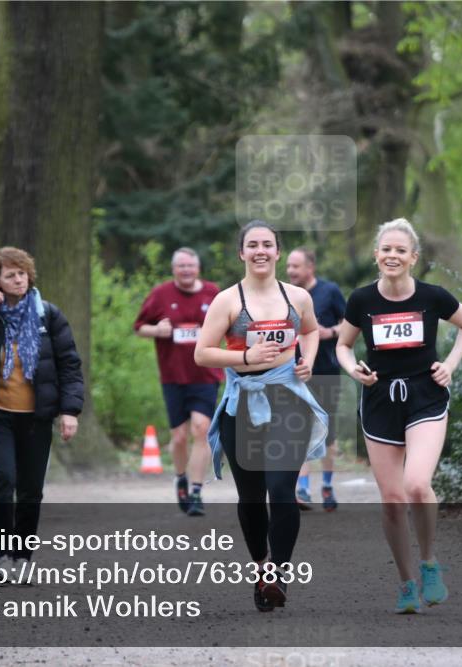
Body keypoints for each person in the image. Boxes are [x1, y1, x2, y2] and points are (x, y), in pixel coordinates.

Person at [336, 219, 462, 614]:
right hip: (380, 399)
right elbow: (343, 346)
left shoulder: (432, 296)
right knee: (393, 499)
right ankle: (406, 583)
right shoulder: (362, 300)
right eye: (386, 249)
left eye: (401, 250)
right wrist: (353, 369)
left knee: (416, 484)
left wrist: (450, 364)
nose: (392, 256)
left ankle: (429, 563)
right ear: (376, 255)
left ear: (414, 257)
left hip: (424, 396)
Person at [195, 220, 328, 612]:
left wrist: (308, 360)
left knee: (282, 490)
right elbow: (202, 353)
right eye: (252, 245)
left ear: (278, 252)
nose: (260, 251)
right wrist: (246, 356)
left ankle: (277, 574)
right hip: (243, 403)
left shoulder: (298, 296)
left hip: (288, 400)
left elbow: (311, 331)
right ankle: (261, 566)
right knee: (252, 497)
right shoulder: (227, 300)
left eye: (267, 244)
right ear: (242, 253)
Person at [0, 247, 85, 576]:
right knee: (3, 479)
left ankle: (22, 557)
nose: (19, 279)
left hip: (36, 417)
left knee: (31, 489)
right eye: (10, 275)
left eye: (22, 273)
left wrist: (69, 411)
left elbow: (69, 365)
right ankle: (2, 555)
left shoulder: (47, 315)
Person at [134, 248, 223, 516]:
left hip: (206, 374)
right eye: (181, 266)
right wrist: (157, 330)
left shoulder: (213, 293)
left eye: (190, 266)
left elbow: (229, 324)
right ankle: (181, 477)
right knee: (179, 436)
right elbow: (139, 327)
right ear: (174, 269)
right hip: (173, 376)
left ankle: (196, 491)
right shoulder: (161, 294)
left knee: (201, 429)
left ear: (198, 268)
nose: (186, 270)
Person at [286, 247, 346, 511]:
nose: (290, 271)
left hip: (326, 371)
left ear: (310, 267)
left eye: (296, 266)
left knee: (326, 433)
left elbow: (350, 324)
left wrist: (329, 332)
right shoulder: (286, 294)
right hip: (294, 372)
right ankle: (302, 488)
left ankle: (328, 485)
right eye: (288, 266)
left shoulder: (329, 291)